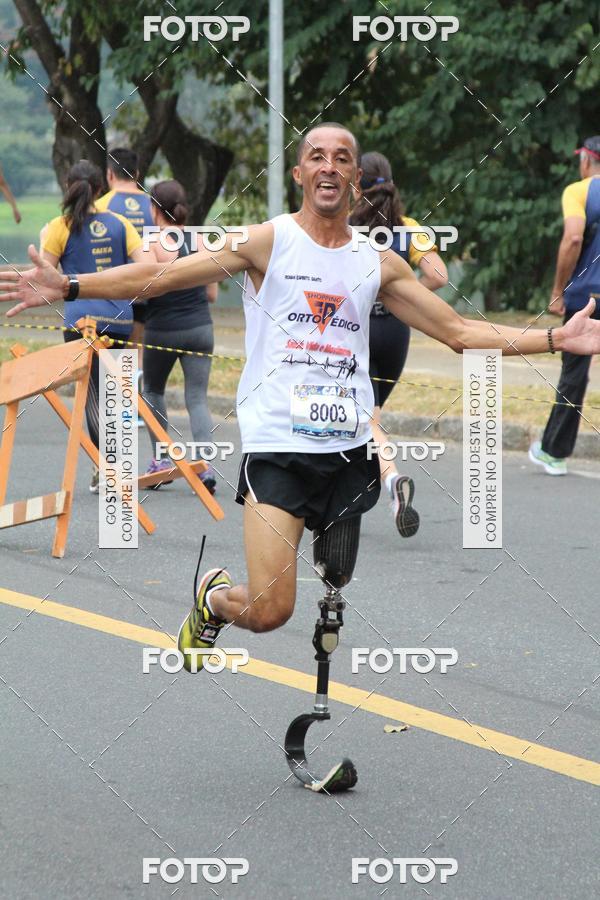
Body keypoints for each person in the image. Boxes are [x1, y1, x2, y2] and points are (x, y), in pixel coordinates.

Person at [3, 123, 600, 674]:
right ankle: (211, 600)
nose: (330, 167)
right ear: (299, 174)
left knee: (336, 578)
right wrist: (71, 285)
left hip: (347, 451)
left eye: (343, 158)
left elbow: (461, 332)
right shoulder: (270, 242)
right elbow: (161, 277)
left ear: (354, 180)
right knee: (270, 610)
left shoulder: (377, 262)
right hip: (276, 448)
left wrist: (556, 338)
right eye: (317, 156)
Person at [349, 151, 448, 537]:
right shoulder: (409, 229)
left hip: (358, 332)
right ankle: (363, 489)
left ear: (357, 184)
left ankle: (392, 483)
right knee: (367, 417)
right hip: (397, 335)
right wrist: (403, 297)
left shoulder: (345, 228)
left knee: (367, 419)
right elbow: (438, 276)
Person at [39, 159, 146, 491]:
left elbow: (44, 281)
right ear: (102, 188)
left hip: (81, 321)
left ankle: (107, 469)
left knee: (94, 397)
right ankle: (120, 467)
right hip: (120, 321)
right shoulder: (121, 224)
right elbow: (146, 268)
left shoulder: (60, 226)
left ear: (67, 186)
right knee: (117, 391)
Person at [142, 180, 219, 494]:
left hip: (162, 330)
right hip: (201, 329)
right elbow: (212, 293)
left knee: (153, 391)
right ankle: (205, 465)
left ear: (154, 209)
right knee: (197, 398)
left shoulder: (152, 242)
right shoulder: (201, 240)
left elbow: (144, 290)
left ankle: (161, 462)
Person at [529, 136, 600, 476]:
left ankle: (553, 452)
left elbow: (573, 237)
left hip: (587, 297)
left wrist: (558, 290)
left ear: (586, 160)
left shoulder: (579, 191)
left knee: (574, 374)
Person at [96, 148, 154, 349]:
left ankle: (113, 380)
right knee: (134, 357)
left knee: (109, 362)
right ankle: (132, 380)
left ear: (109, 174)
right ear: (137, 174)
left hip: (111, 297)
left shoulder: (100, 206)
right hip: (147, 294)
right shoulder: (154, 206)